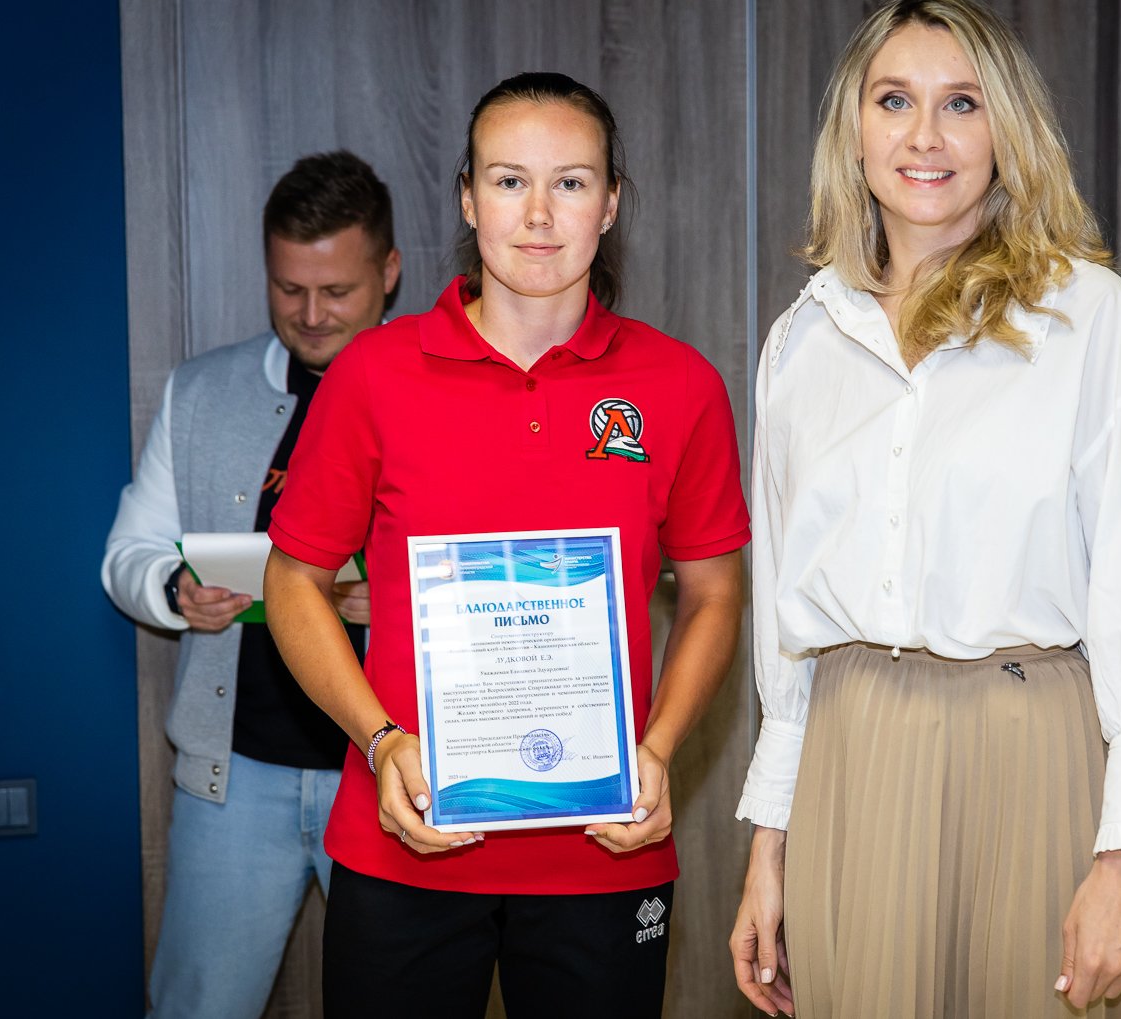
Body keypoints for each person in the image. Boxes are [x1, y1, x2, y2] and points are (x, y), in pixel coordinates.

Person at [729, 0, 1121, 1018]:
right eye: (894, 100)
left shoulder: (1088, 318)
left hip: (1034, 747)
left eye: (962, 103)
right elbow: (785, 642)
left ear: (1006, 131)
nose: (925, 136)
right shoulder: (801, 342)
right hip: (850, 753)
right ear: (855, 130)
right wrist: (770, 847)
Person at [262, 71, 750, 1018]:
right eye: (508, 180)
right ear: (466, 197)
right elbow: (294, 580)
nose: (538, 214)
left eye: (570, 182)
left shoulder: (680, 384)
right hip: (407, 839)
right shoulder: (372, 374)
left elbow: (715, 593)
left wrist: (658, 746)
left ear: (611, 202)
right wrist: (381, 740)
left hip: (605, 846)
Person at [101, 150, 401, 1018]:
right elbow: (129, 551)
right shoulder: (201, 391)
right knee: (197, 1005)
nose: (310, 314)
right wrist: (174, 591)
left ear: (389, 271)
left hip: (391, 771)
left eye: (336, 290)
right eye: (288, 288)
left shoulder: (441, 391)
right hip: (232, 776)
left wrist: (402, 603)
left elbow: (501, 564)